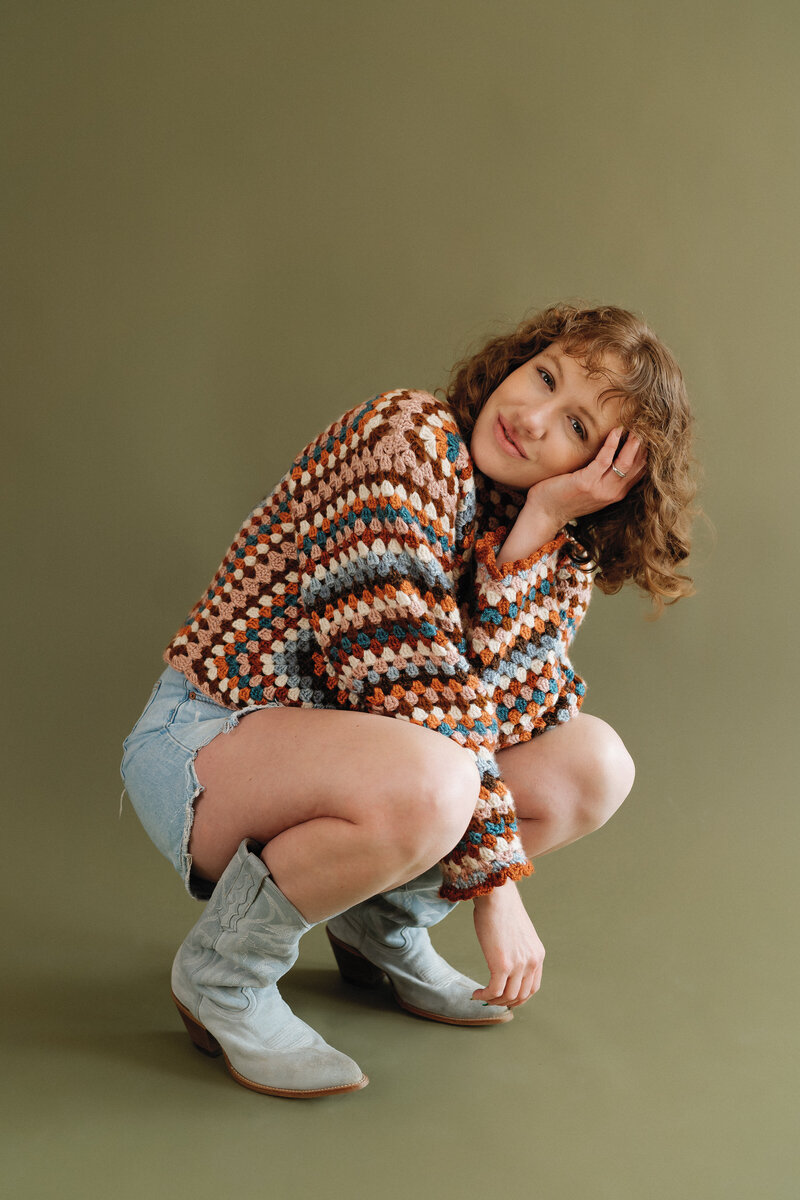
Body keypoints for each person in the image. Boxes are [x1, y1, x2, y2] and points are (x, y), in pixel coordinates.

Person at [120, 302, 696, 1098]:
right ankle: (222, 976)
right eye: (544, 376)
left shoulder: (551, 547)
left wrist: (537, 528)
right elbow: (402, 672)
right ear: (518, 357)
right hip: (207, 743)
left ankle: (379, 926)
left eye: (575, 427)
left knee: (592, 764)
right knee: (436, 779)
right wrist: (496, 889)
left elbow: (520, 716)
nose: (530, 418)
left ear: (608, 472)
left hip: (365, 766)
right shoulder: (403, 436)